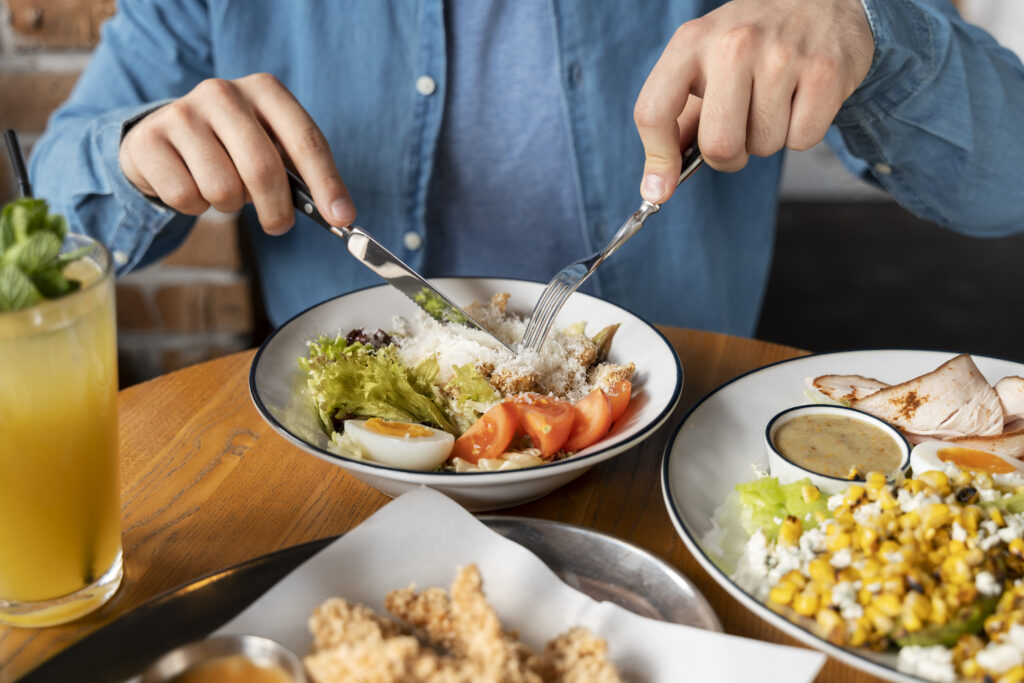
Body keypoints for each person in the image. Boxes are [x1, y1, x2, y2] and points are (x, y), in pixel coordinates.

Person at [29, 0, 1024, 335]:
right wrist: (137, 153)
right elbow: (50, 219)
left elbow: (1006, 184)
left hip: (674, 461)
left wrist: (868, 30)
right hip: (348, 480)